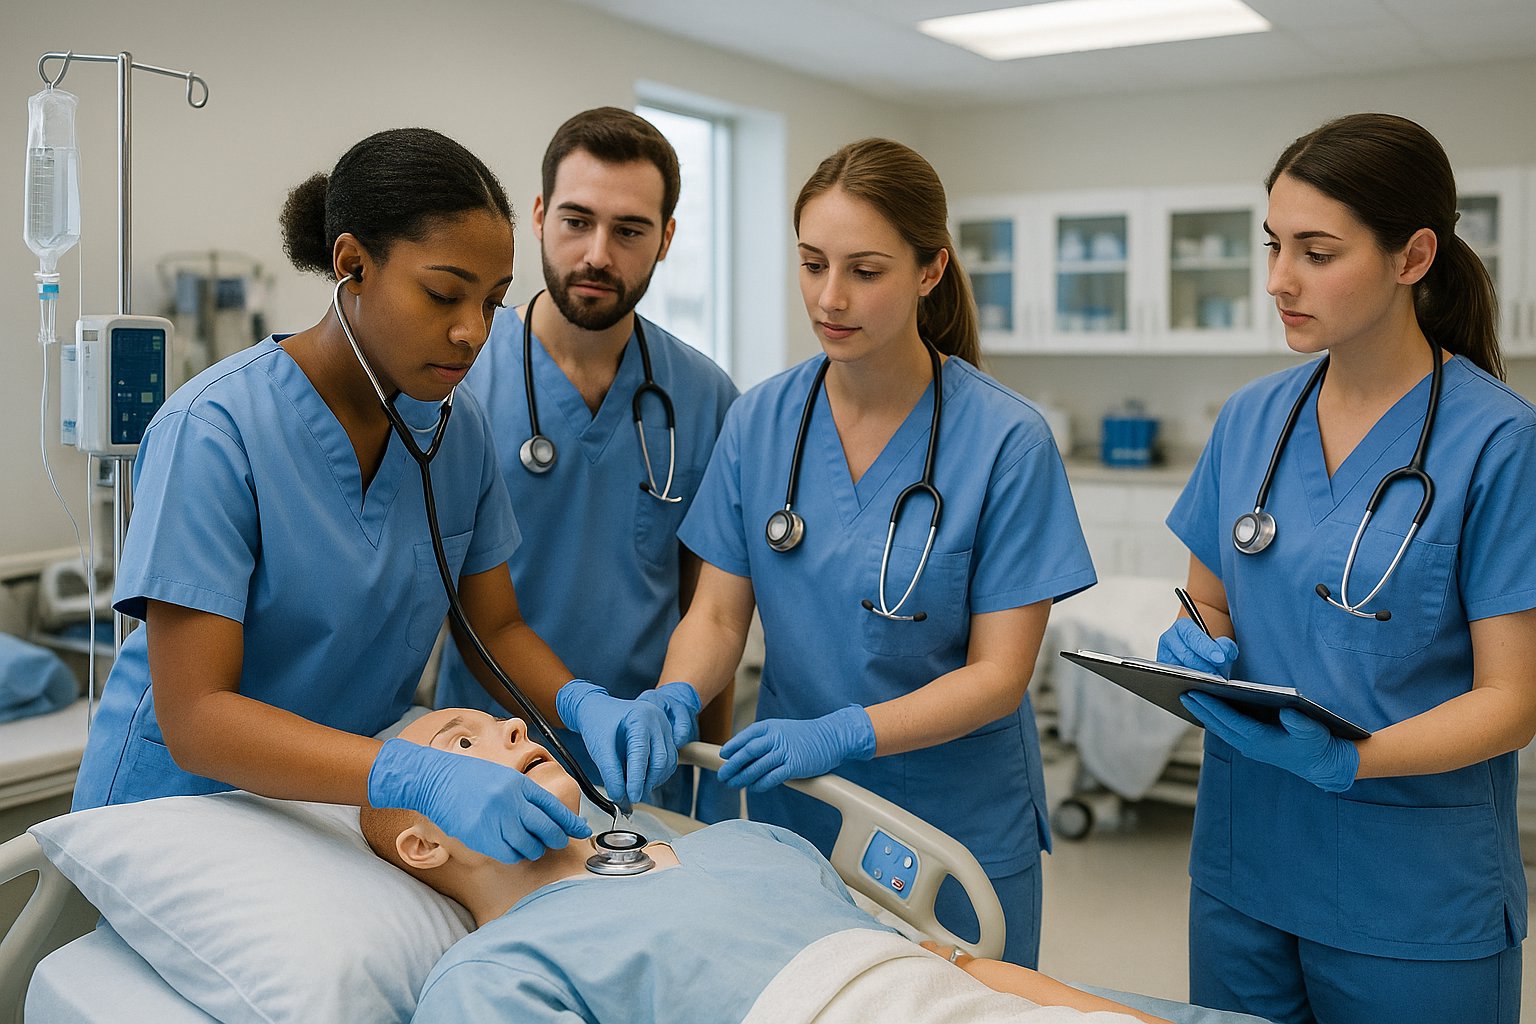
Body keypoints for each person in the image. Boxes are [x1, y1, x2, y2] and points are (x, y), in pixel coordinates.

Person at [72, 127, 679, 866]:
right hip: (180, 811)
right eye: (442, 294)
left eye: (493, 302)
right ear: (352, 264)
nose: (471, 333)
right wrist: (408, 772)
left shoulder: (456, 431)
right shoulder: (215, 430)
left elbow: (496, 632)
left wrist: (584, 705)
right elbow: (197, 717)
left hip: (328, 807)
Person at [653, 138, 1097, 967]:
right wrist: (675, 695)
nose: (830, 297)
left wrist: (843, 733)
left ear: (930, 271)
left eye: (865, 270)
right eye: (812, 264)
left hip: (952, 819)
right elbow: (717, 613)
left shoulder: (1006, 441)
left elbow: (1000, 676)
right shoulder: (761, 421)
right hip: (801, 808)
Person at [1157, 113, 1536, 1024]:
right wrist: (1191, 643)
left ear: (1412, 257)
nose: (1280, 280)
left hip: (1411, 892)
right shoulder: (1251, 419)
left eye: (1317, 252)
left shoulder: (1499, 441)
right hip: (1245, 866)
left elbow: (1515, 697)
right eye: (1273, 245)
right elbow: (1211, 601)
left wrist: (1352, 760)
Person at [362, 708, 1169, 1024]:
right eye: (461, 744)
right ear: (426, 846)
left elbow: (957, 969)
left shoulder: (747, 842)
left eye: (496, 724)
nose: (508, 723)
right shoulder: (493, 976)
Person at [431, 107, 740, 816]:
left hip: (645, 770)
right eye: (576, 221)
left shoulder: (707, 398)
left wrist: (708, 788)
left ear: (665, 239)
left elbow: (715, 612)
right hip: (485, 759)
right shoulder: (460, 382)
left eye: (629, 230)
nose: (598, 253)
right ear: (538, 216)